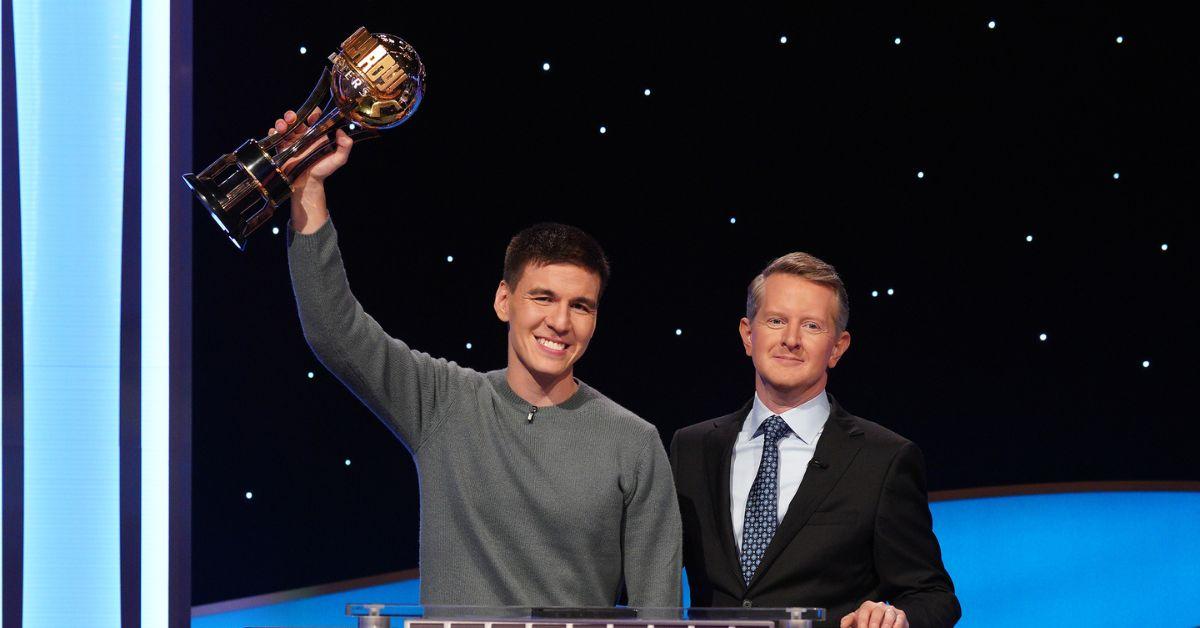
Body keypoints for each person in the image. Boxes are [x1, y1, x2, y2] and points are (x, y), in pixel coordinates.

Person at [277, 111, 681, 607]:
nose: (560, 321)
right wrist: (308, 192)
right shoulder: (444, 401)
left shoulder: (633, 442)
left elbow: (658, 612)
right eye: (543, 298)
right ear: (503, 301)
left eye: (580, 306)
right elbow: (335, 333)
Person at [670, 252, 959, 628]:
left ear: (837, 347)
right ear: (748, 334)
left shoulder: (883, 458)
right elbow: (650, 571)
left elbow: (933, 596)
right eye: (776, 321)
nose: (790, 340)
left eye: (811, 326)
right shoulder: (690, 448)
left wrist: (897, 618)